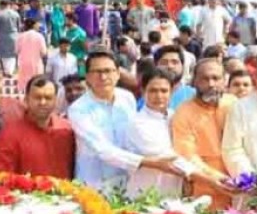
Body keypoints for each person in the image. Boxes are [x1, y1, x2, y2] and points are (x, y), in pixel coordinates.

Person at [69, 51, 180, 190]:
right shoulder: (78, 109)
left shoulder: (127, 98)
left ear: (118, 74)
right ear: (87, 77)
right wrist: (148, 162)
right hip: (94, 183)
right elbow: (102, 149)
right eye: (97, 72)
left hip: (127, 182)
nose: (103, 77)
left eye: (108, 71)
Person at [172, 59, 238, 209]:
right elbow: (188, 157)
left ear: (224, 81)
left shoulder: (234, 104)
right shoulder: (183, 113)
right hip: (204, 189)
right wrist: (218, 178)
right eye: (205, 78)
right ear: (194, 81)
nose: (211, 84)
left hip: (239, 186)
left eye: (216, 78)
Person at [125, 69, 199, 199]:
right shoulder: (137, 123)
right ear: (143, 92)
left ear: (172, 92)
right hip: (144, 194)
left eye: (164, 91)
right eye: (153, 90)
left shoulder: (174, 116)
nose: (159, 96)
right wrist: (210, 179)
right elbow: (171, 159)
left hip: (173, 193)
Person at [0, 75, 76, 179]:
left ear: (55, 101)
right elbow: (0, 177)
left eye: (48, 98)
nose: (42, 103)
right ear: (26, 99)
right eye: (37, 97)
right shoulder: (9, 135)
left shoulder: (67, 129)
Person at [153, 45, 196, 110]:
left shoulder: (194, 96)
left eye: (175, 62)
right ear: (156, 66)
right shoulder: (148, 96)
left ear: (182, 66)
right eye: (164, 62)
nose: (170, 66)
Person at [16, 18, 47, 92]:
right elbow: (44, 52)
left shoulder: (20, 36)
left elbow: (17, 51)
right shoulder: (39, 36)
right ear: (34, 25)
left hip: (23, 64)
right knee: (36, 85)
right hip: (36, 64)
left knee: (25, 86)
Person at [0, 0, 21, 76]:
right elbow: (19, 27)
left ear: (1, 5)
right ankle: (11, 70)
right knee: (13, 54)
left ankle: (6, 71)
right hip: (14, 36)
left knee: (3, 54)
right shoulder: (16, 14)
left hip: (2, 37)